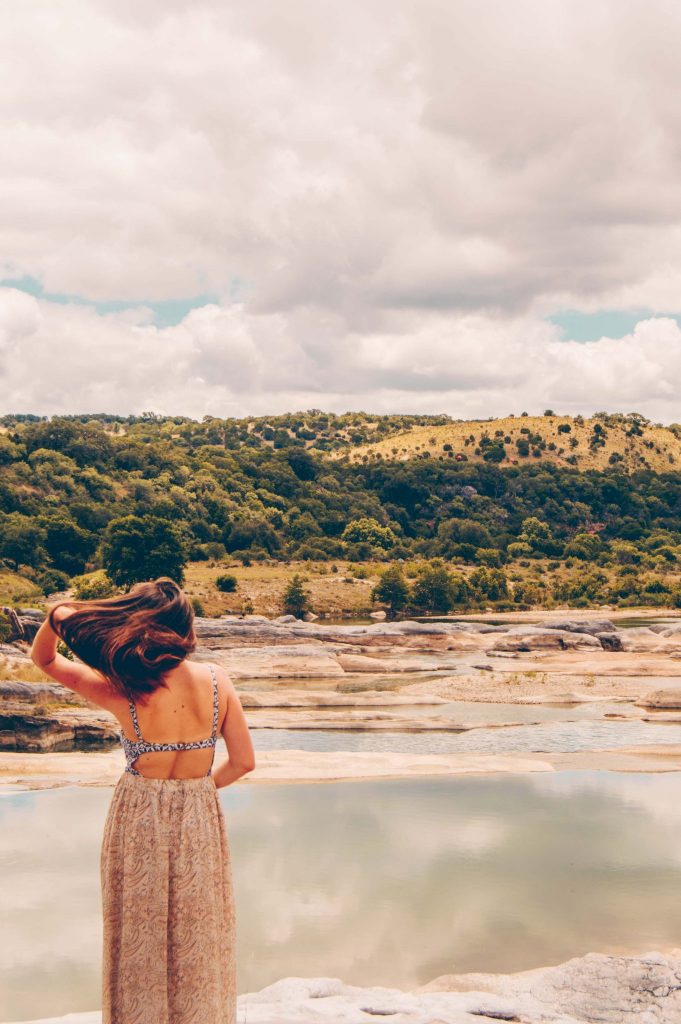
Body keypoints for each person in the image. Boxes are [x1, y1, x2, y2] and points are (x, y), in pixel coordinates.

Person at [30, 576, 256, 1024]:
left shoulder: (123, 687)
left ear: (136, 624)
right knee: (199, 925)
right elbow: (243, 762)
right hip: (199, 810)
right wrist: (197, 792)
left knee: (138, 924)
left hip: (139, 812)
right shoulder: (216, 680)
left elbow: (45, 658)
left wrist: (60, 612)